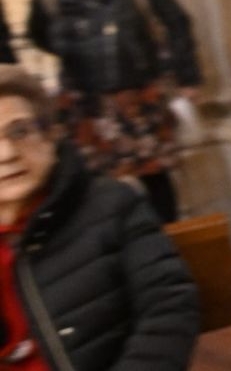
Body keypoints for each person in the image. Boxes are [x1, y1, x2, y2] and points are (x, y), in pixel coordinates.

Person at [0, 64, 199, 369]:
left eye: (19, 131)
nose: (7, 154)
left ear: (50, 134)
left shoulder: (112, 205)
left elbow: (169, 306)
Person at [26, 0, 200, 224]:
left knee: (157, 181)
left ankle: (166, 244)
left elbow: (176, 20)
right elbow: (38, 35)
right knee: (100, 188)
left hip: (139, 98)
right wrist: (77, 51)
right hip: (88, 106)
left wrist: (188, 77)